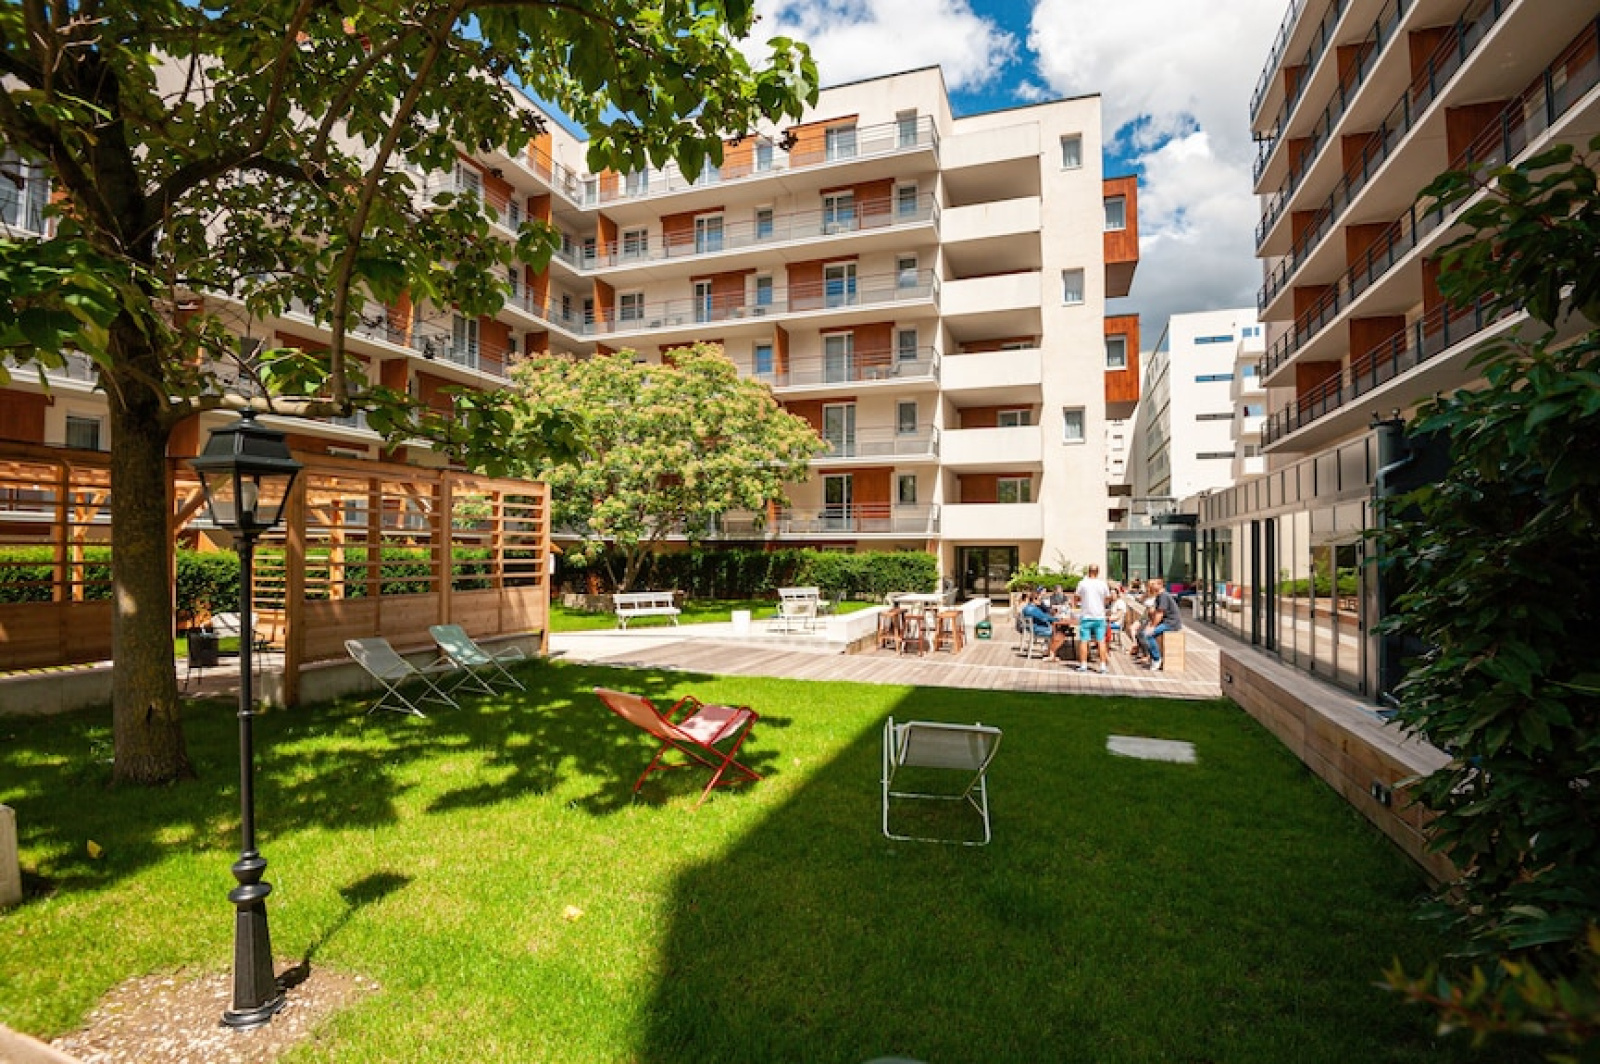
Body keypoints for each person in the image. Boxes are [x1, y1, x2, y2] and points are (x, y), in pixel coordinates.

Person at [1072, 564, 1111, 673]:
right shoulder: (1102, 584)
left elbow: (1076, 597)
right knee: (1101, 641)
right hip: (1099, 616)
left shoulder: (1082, 583)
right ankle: (1102, 666)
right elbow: (1108, 598)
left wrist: (1082, 602)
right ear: (1098, 572)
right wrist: (1101, 603)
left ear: (1088, 571)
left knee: (1084, 641)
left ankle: (1083, 665)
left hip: (1086, 615)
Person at [1139, 577, 1183, 671]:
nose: (1150, 586)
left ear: (1160, 585)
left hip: (1171, 623)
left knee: (1148, 634)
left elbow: (1160, 613)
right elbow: (1155, 613)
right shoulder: (1159, 596)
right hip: (1166, 621)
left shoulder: (1164, 596)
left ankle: (1156, 659)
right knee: (1143, 633)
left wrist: (1152, 627)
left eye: (1153, 584)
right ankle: (1151, 656)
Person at [1019, 590, 1056, 655]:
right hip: (1037, 629)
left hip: (1032, 628)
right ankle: (1050, 652)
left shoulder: (1027, 608)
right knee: (1057, 632)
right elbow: (1044, 617)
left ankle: (1048, 649)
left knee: (1055, 630)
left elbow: (1043, 616)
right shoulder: (1033, 609)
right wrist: (1057, 619)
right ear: (1034, 600)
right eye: (1039, 600)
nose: (1040, 601)